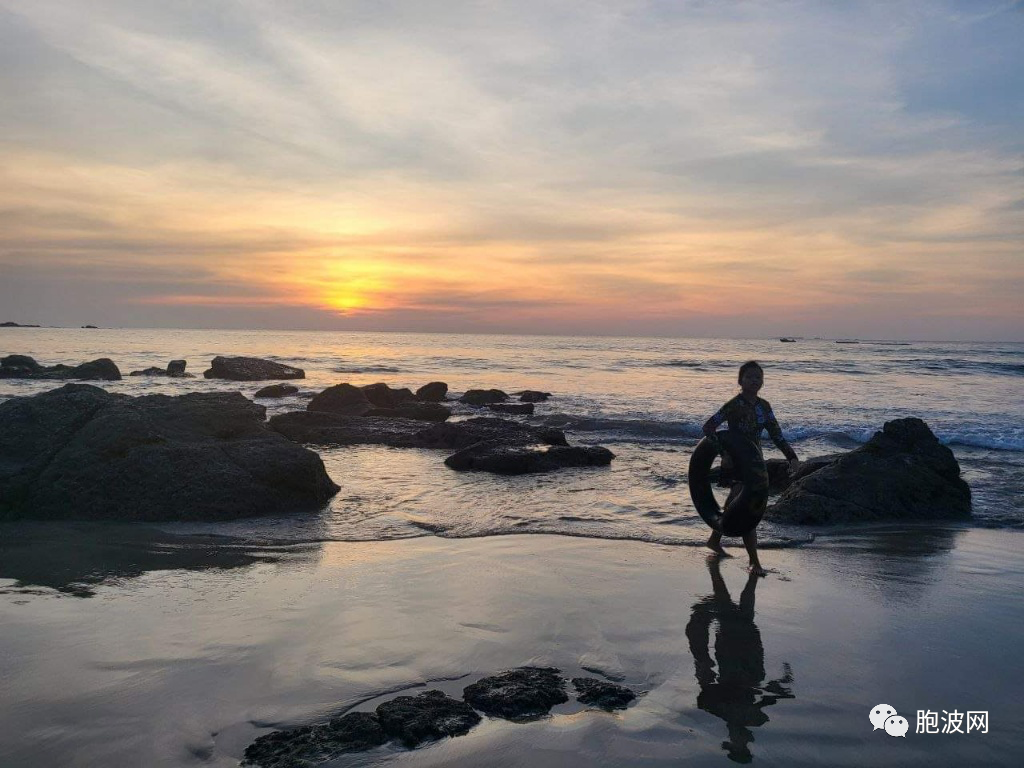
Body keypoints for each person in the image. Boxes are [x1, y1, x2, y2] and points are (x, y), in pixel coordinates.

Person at [701, 360, 800, 575]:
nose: (755, 381)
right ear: (740, 381)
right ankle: (754, 562)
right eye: (750, 377)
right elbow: (709, 427)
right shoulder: (733, 405)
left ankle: (714, 539)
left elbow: (777, 435)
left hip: (755, 464)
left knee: (735, 505)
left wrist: (792, 457)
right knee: (746, 510)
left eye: (759, 377)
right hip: (735, 463)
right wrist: (723, 452)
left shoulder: (764, 407)